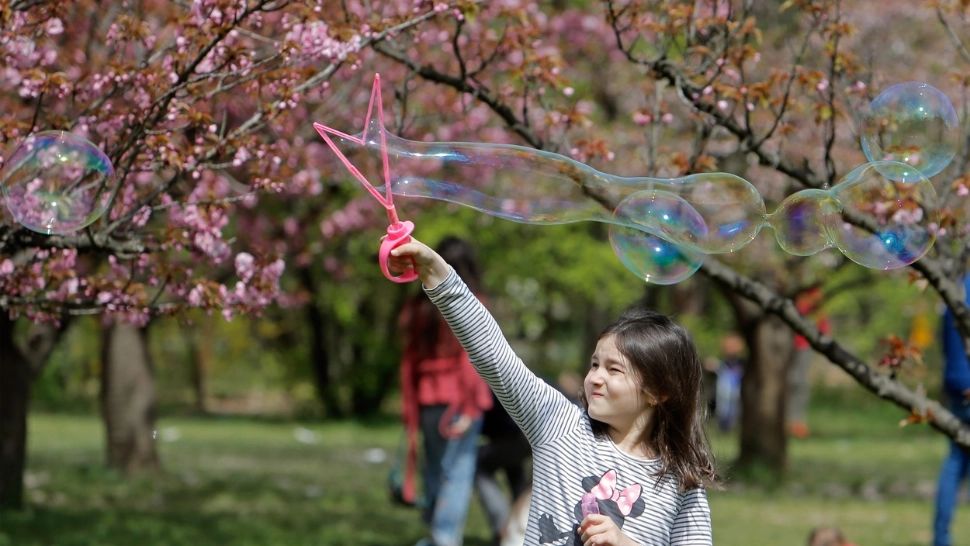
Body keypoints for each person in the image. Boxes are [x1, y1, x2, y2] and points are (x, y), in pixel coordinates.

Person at [390, 238, 716, 546]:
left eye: (613, 369)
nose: (595, 378)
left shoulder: (682, 483)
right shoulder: (559, 425)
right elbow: (494, 354)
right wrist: (436, 273)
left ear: (658, 391)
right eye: (594, 365)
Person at [398, 236, 493, 546]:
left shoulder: (417, 308)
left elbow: (410, 359)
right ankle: (444, 537)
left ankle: (437, 534)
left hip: (428, 401)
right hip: (458, 402)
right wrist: (470, 407)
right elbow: (474, 359)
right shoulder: (471, 303)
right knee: (457, 476)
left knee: (437, 471)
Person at [933, 273, 970, 546]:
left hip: (956, 382)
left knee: (955, 460)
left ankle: (941, 537)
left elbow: (945, 340)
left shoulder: (954, 285)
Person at [476, 390, 532, 546]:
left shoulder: (484, 379)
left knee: (478, 465)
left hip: (517, 433)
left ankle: (503, 527)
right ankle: (520, 529)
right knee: (514, 470)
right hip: (525, 433)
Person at [787, 285, 830, 439]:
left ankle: (797, 422)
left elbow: (824, 329)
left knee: (800, 384)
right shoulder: (799, 303)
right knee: (793, 383)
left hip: (804, 349)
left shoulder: (816, 309)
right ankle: (790, 421)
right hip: (791, 348)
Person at [714, 333, 744, 432]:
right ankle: (723, 428)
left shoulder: (741, 364)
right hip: (724, 392)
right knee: (723, 409)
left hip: (735, 391)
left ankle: (730, 428)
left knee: (734, 410)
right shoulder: (723, 363)